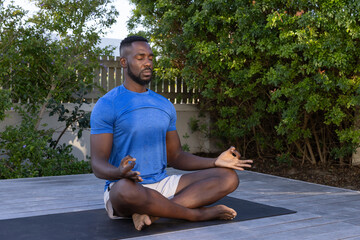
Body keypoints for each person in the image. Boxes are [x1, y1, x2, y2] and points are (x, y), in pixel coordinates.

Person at [90, 35, 253, 231]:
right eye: (140, 58)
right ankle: (195, 214)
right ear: (124, 62)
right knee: (124, 189)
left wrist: (215, 161)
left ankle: (153, 214)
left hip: (163, 184)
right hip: (128, 187)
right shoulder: (108, 104)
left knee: (228, 177)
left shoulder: (164, 104)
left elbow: (175, 156)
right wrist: (119, 172)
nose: (148, 63)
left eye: (150, 57)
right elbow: (98, 164)